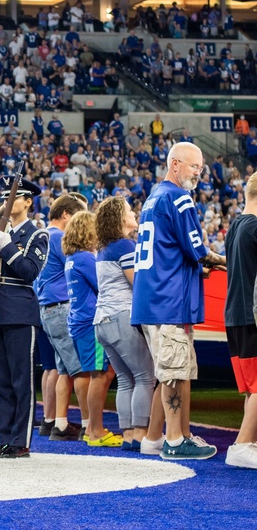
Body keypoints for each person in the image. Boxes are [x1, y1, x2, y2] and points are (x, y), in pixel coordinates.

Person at [131, 142, 224, 460]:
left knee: (172, 371)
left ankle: (157, 438)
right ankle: (174, 440)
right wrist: (229, 261)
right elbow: (197, 249)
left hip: (154, 298)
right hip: (167, 300)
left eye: (201, 167)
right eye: (193, 166)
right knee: (174, 373)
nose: (198, 173)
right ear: (174, 164)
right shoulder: (178, 197)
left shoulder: (153, 197)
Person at [0, 176, 50, 458]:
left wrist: (7, 245)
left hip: (19, 313)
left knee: (21, 380)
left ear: (28, 202)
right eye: (5, 196)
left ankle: (20, 441)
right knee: (2, 381)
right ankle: (6, 438)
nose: (7, 201)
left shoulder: (36, 235)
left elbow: (29, 272)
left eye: (14, 196)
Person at [94, 196, 156, 452]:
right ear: (120, 217)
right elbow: (137, 284)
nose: (134, 213)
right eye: (130, 210)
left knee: (125, 379)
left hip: (102, 320)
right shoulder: (125, 246)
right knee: (145, 376)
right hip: (121, 316)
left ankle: (129, 433)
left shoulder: (105, 248)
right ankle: (140, 434)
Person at [63, 210, 120, 447]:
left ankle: (91, 427)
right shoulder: (86, 258)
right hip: (89, 323)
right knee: (100, 374)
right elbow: (103, 284)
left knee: (98, 373)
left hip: (79, 322)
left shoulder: (72, 258)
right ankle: (94, 430)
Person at [34, 194, 87, 441]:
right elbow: (76, 264)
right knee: (81, 370)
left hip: (47, 307)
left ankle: (57, 422)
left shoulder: (42, 235)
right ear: (66, 214)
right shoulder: (59, 238)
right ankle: (89, 424)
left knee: (60, 369)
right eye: (79, 215)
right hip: (61, 306)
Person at [223, 173, 257, 468]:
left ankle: (248, 444)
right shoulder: (255, 227)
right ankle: (243, 444)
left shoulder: (234, 227)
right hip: (252, 314)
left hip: (235, 314)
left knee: (251, 387)